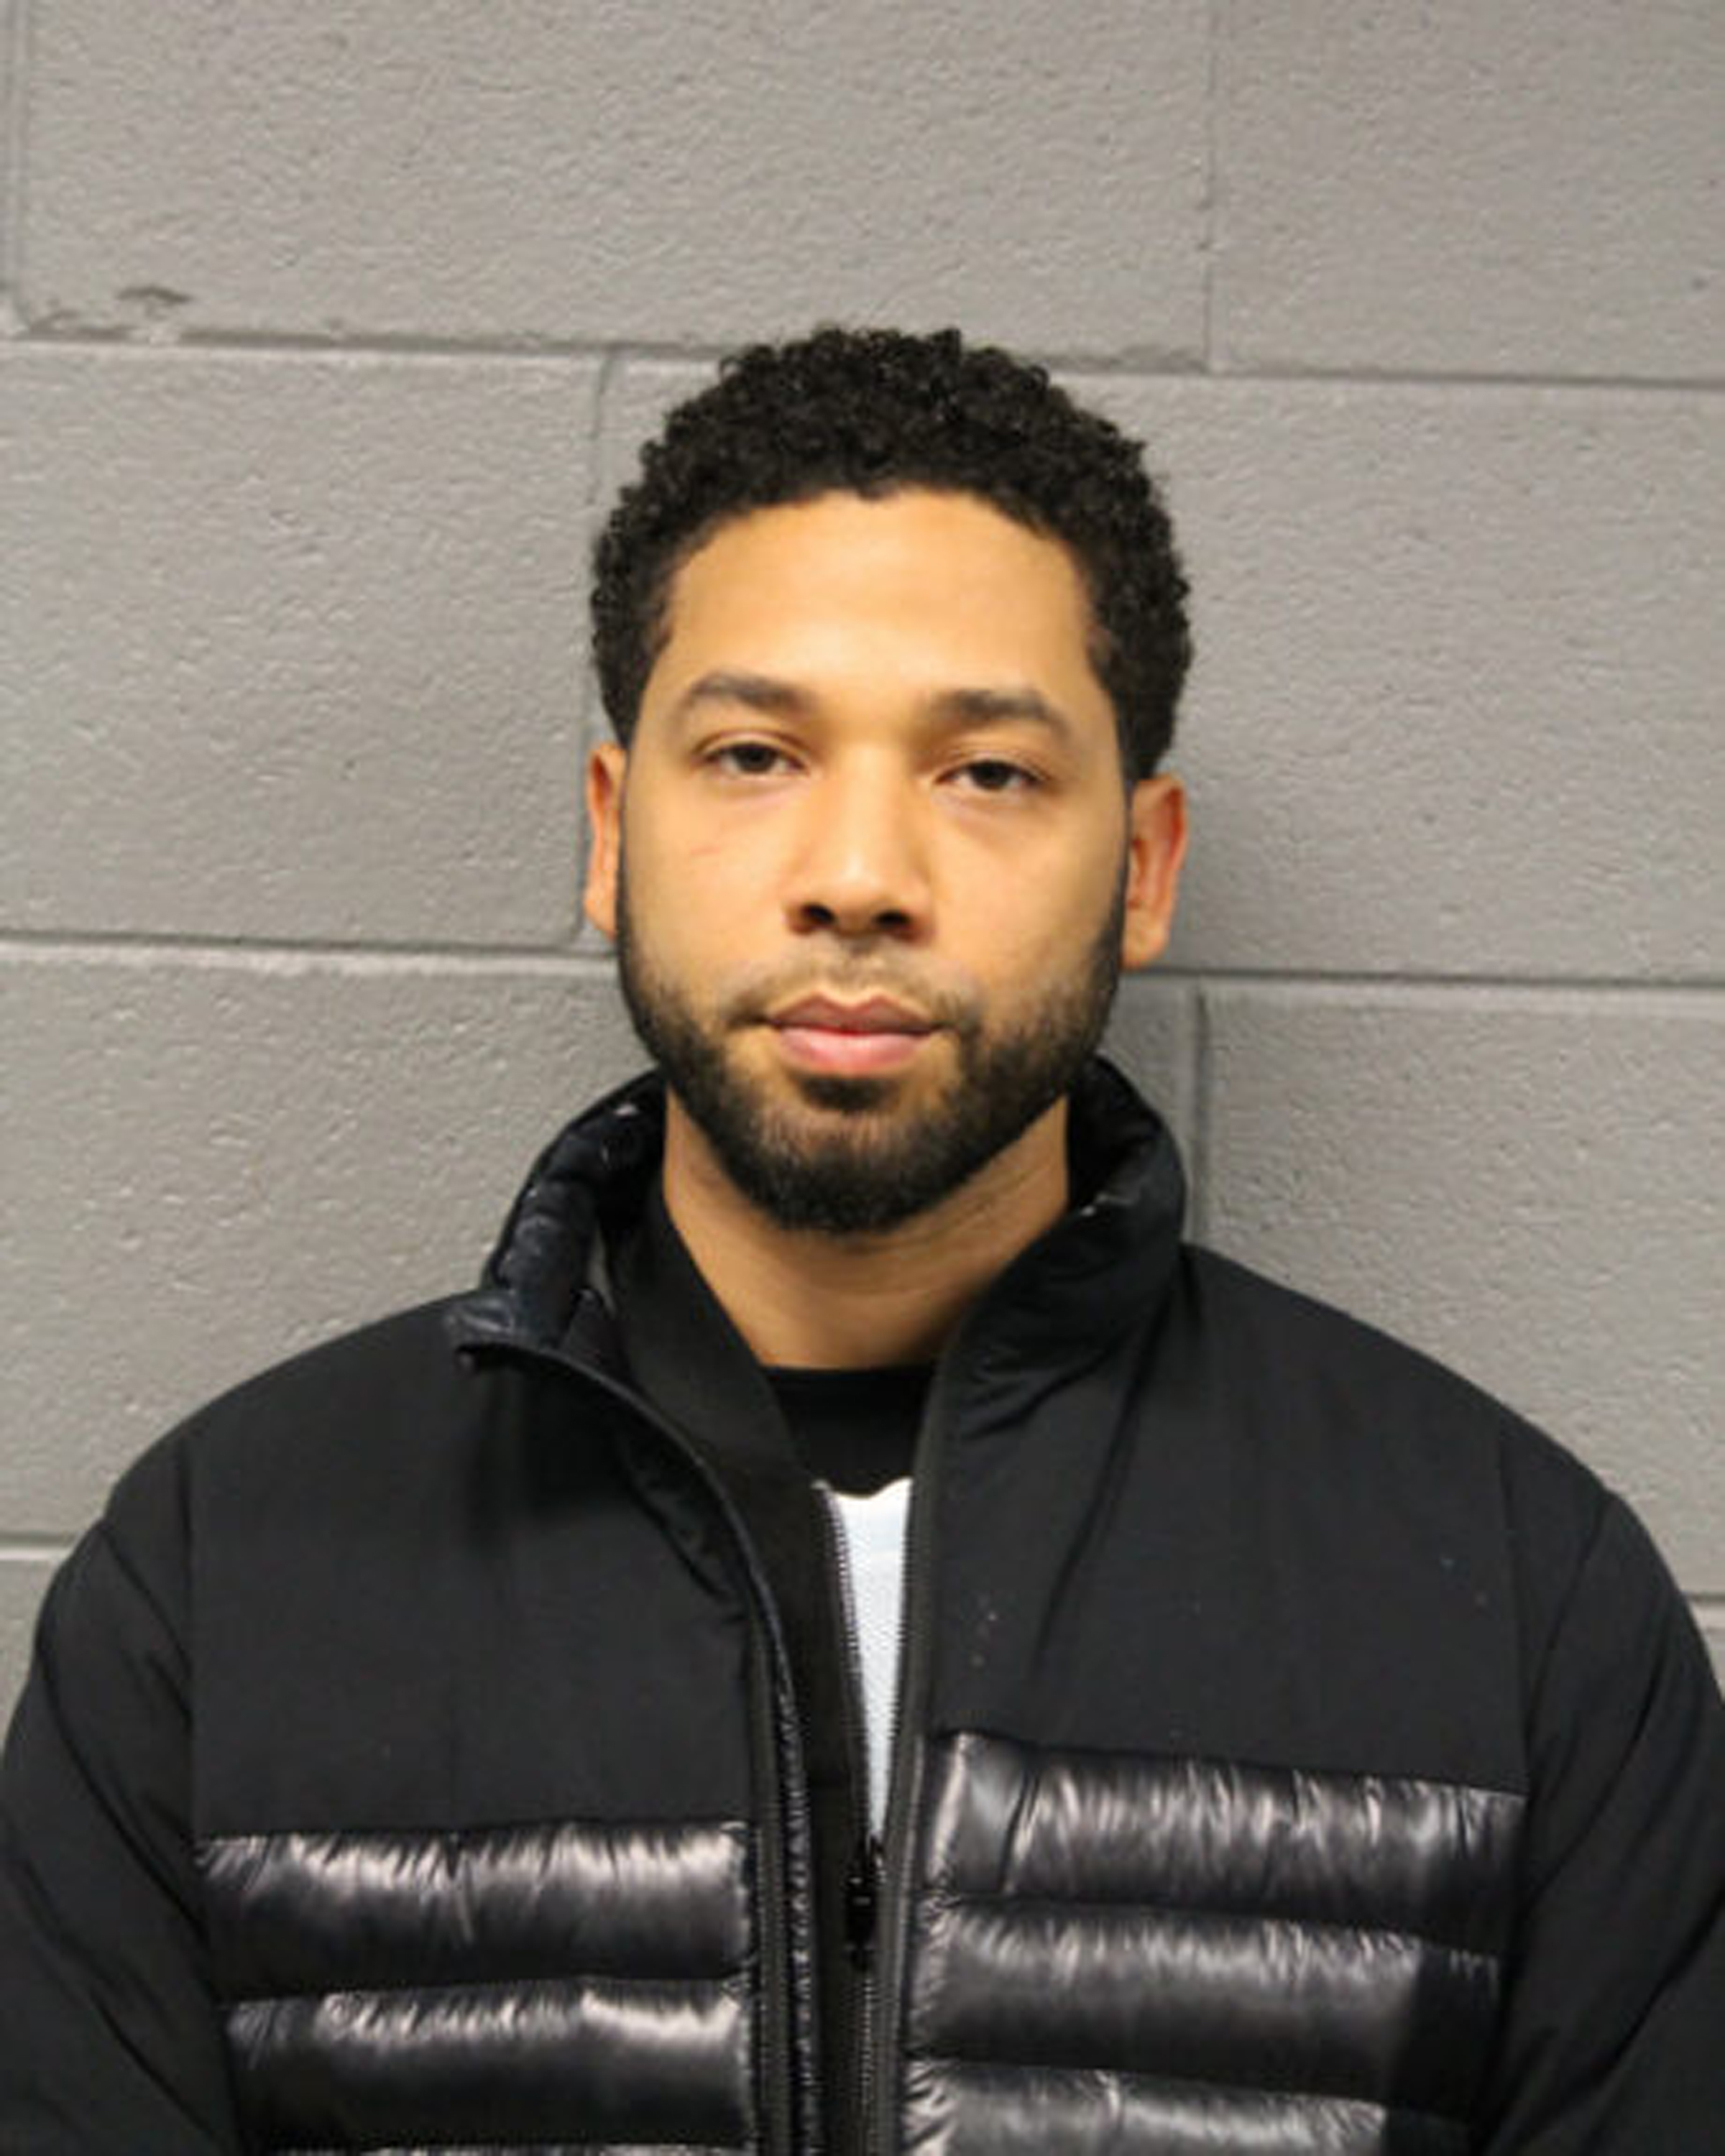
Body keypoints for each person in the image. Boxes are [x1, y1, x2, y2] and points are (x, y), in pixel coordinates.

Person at [2, 326, 1721, 2156]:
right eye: (754, 753)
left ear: (1142, 868)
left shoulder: (1521, 1610)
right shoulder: (220, 1584)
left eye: (986, 773)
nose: (859, 873)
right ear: (610, 835)